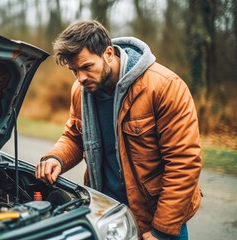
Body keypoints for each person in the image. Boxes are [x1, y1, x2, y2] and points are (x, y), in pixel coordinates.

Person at [35, 20, 202, 239]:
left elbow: (184, 161)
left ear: (109, 53)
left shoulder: (165, 86)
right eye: (74, 71)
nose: (80, 78)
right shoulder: (81, 90)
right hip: (107, 215)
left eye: (86, 67)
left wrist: (161, 230)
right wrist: (56, 158)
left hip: (157, 218)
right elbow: (75, 137)